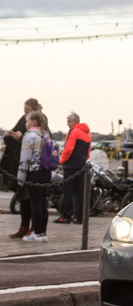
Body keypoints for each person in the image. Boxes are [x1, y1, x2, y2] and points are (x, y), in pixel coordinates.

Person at [1, 98, 46, 238]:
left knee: (36, 202)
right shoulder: (33, 129)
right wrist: (9, 136)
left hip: (30, 171)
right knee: (26, 200)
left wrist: (21, 138)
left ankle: (36, 230)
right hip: (33, 169)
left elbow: (28, 153)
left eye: (28, 113)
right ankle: (28, 227)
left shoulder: (34, 132)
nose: (25, 117)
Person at [17, 111, 52, 242]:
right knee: (43, 203)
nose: (25, 123)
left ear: (34, 122)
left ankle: (36, 233)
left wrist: (21, 178)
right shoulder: (46, 135)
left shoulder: (29, 136)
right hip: (46, 173)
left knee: (35, 204)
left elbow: (24, 159)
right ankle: (43, 232)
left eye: (27, 121)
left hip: (34, 173)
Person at [54, 113, 91, 224]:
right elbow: (88, 153)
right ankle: (79, 216)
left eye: (68, 121)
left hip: (70, 166)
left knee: (67, 191)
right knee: (80, 192)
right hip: (81, 166)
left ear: (74, 121)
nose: (67, 124)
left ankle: (66, 215)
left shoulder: (73, 131)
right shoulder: (87, 134)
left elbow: (68, 149)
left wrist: (61, 161)